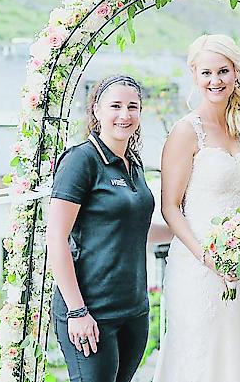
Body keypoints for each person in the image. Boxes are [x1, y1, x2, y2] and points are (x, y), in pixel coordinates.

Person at [154, 34, 240, 382]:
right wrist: (206, 255)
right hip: (197, 265)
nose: (215, 80)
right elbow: (170, 207)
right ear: (194, 75)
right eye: (206, 73)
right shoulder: (186, 131)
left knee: (235, 354)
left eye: (223, 71)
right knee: (197, 356)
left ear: (235, 73)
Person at [46, 75, 161, 382]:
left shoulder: (133, 163)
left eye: (132, 107)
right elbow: (56, 238)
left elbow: (136, 229)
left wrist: (193, 233)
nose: (124, 115)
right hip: (92, 312)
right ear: (96, 110)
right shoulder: (80, 160)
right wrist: (77, 311)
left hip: (134, 311)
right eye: (116, 106)